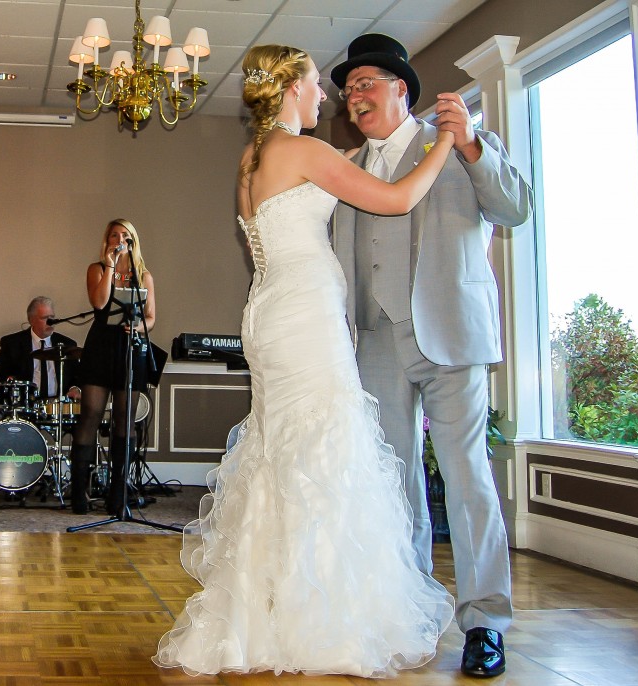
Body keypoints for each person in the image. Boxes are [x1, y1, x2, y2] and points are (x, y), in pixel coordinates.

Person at [154, 45, 456, 678]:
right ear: (292, 87)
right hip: (306, 314)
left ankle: (266, 613)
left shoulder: (254, 158)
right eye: (318, 84)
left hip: (267, 312)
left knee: (281, 450)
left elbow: (317, 187)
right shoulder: (304, 152)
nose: (327, 97)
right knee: (325, 447)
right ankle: (323, 616)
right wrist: (444, 146)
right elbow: (397, 199)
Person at [330, 33, 534, 678]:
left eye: (366, 83)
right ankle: (411, 608)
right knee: (395, 485)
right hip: (377, 339)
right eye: (349, 88)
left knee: (467, 478)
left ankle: (485, 622)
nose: (354, 96)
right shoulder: (345, 164)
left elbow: (515, 207)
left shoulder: (457, 142)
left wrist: (471, 146)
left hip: (452, 335)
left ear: (401, 89)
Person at [69, 219, 156, 515]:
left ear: (133, 241)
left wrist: (139, 329)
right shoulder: (96, 268)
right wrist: (110, 265)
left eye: (125, 236)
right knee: (90, 415)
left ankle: (117, 495)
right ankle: (79, 493)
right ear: (107, 241)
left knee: (125, 419)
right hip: (101, 347)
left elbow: (152, 317)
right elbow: (99, 301)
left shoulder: (144, 276)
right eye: (114, 236)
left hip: (129, 348)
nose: (120, 240)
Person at [0, 296, 79, 401]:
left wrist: (75, 388)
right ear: (31, 320)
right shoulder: (12, 344)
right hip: (25, 405)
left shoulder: (68, 344)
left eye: (52, 316)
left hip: (59, 407)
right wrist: (10, 382)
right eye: (44, 318)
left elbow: (78, 377)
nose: (51, 321)